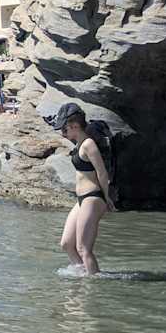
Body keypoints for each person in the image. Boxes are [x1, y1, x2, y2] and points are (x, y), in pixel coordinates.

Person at [51, 103, 116, 275]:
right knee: (66, 244)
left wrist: (106, 197)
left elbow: (102, 172)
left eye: (64, 129)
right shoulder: (79, 144)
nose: (62, 133)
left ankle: (92, 283)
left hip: (93, 197)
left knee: (83, 248)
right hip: (81, 200)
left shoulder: (88, 144)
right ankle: (84, 276)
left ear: (74, 125)